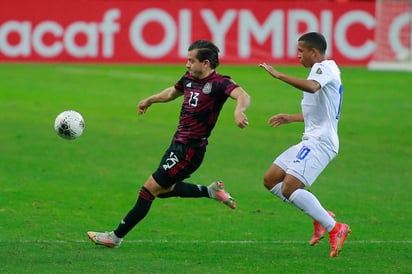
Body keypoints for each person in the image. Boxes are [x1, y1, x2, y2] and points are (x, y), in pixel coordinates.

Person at [87, 40, 250, 248]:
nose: (187, 64)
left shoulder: (219, 83)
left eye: (191, 61)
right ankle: (211, 192)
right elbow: (172, 92)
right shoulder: (190, 79)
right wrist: (150, 100)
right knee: (164, 190)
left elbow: (243, 95)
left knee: (149, 190)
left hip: (190, 150)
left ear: (206, 63)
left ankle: (115, 237)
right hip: (177, 144)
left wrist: (239, 111)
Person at [258, 32, 350, 257]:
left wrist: (279, 76)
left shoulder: (323, 68)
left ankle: (335, 228)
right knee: (271, 180)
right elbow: (321, 112)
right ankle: (320, 216)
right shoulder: (323, 70)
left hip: (321, 142)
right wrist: (291, 117)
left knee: (289, 188)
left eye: (301, 51)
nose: (297, 55)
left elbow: (311, 87)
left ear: (314, 52)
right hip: (311, 139)